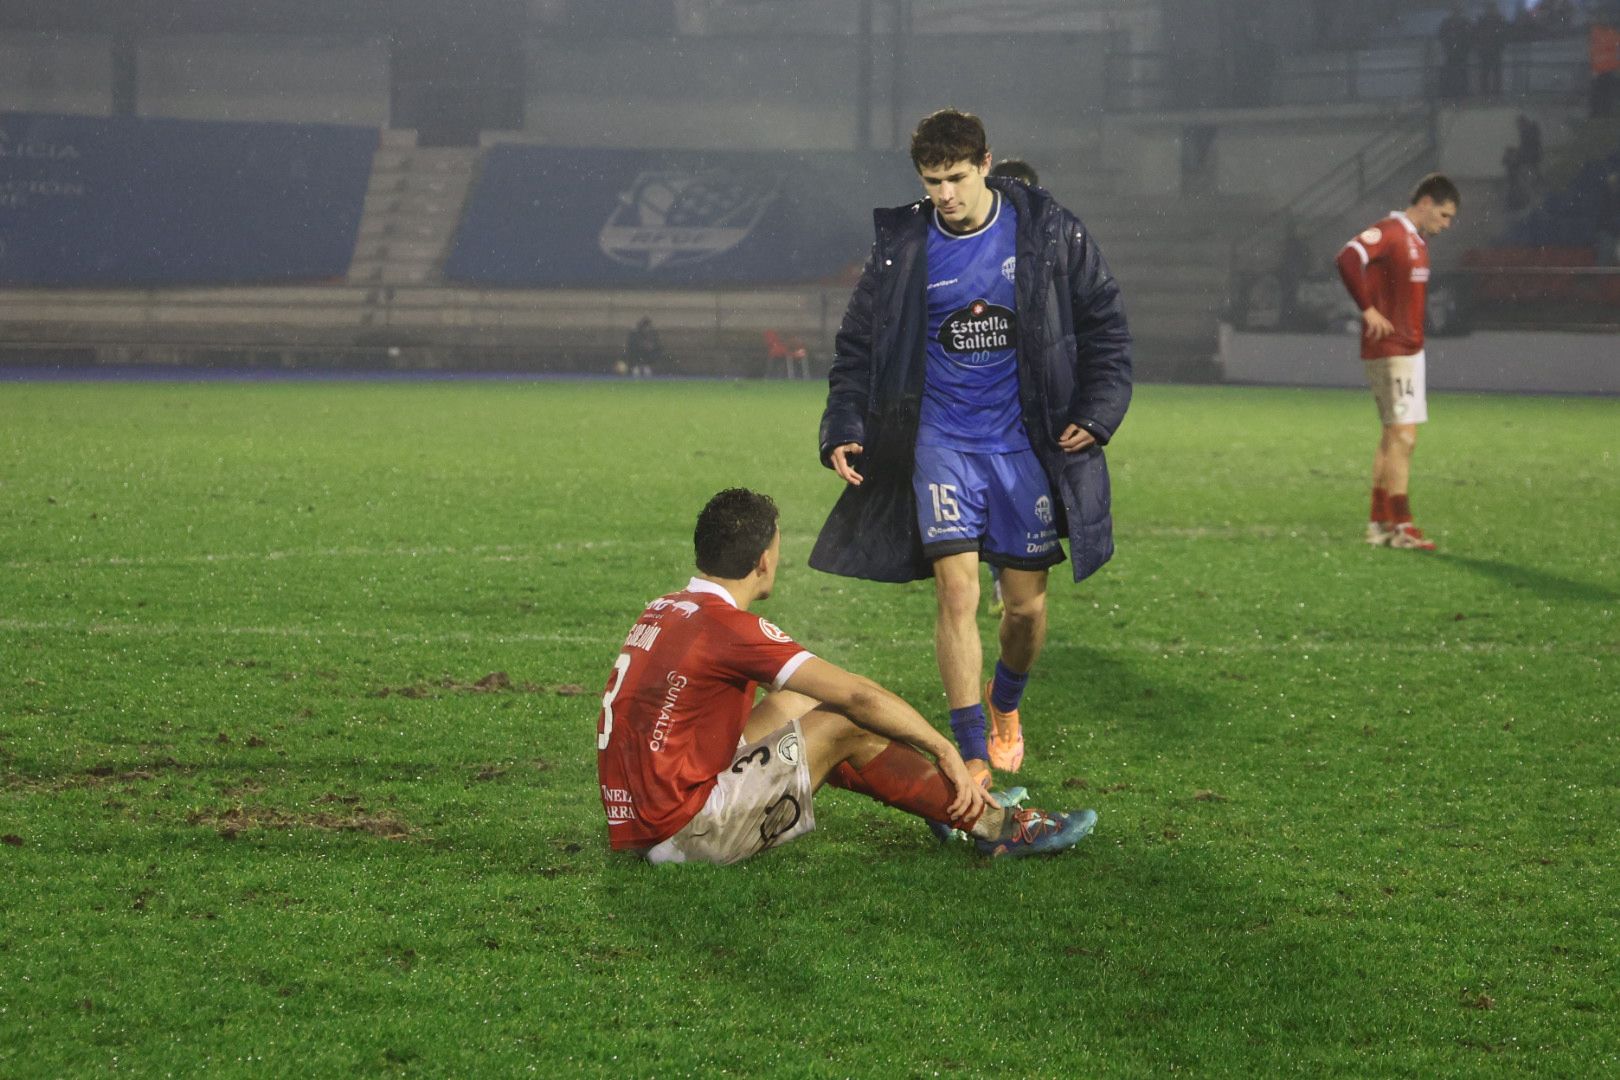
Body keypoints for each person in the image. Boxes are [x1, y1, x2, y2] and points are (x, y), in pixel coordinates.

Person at [811, 108, 1132, 790]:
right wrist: (843, 425)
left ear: (986, 163)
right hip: (940, 440)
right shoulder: (903, 249)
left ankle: (1005, 705)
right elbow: (858, 349)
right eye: (932, 181)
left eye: (956, 177)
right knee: (957, 594)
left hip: (1023, 444)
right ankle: (971, 754)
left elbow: (1105, 322)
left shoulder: (1048, 230)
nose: (945, 195)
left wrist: (1098, 412)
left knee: (1025, 610)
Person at [595, 488, 1097, 865]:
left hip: (642, 819)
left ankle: (942, 803)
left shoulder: (667, 607)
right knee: (845, 720)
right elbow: (858, 696)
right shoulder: (730, 627)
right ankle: (996, 826)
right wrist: (946, 751)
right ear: (764, 562)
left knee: (799, 702)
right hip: (687, 833)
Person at [1334, 173, 1461, 553]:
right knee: (1404, 436)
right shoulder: (1391, 231)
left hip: (1410, 351)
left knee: (1393, 435)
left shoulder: (1418, 242)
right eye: (1444, 215)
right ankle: (1401, 523)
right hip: (1390, 350)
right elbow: (1346, 258)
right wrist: (1368, 310)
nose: (1446, 224)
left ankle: (1380, 523)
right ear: (1425, 202)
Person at [980, 156, 1042, 618]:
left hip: (1031, 404)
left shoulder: (1048, 247)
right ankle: (997, 570)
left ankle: (1011, 572)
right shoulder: (969, 250)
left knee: (1023, 495)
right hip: (975, 404)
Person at [1474, 4, 1510, 98]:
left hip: (1494, 50)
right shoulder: (1485, 20)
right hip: (1488, 50)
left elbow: (1504, 35)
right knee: (1486, 74)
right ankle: (1486, 94)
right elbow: (1478, 35)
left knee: (1495, 74)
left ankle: (1495, 94)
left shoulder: (1493, 20)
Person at [1437, 4, 1472, 100]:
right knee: (1454, 72)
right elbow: (1442, 36)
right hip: (1452, 52)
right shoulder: (1460, 23)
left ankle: (1459, 92)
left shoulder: (1461, 23)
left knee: (1460, 73)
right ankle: (1454, 92)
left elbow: (1469, 37)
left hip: (1459, 52)